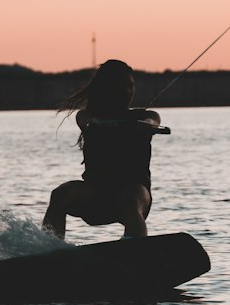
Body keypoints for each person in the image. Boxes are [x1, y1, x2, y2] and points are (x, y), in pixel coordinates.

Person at [42, 59, 169, 240]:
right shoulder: (88, 116)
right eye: (120, 86)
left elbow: (153, 121)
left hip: (134, 194)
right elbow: (85, 121)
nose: (127, 91)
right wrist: (98, 125)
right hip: (97, 195)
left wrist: (143, 126)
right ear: (106, 88)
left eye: (130, 85)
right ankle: (49, 248)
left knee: (131, 199)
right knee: (60, 195)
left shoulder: (145, 116)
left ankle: (136, 252)